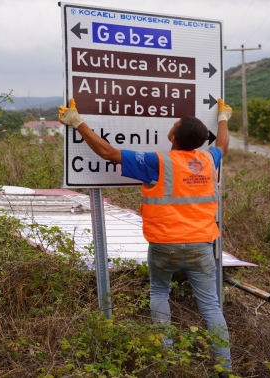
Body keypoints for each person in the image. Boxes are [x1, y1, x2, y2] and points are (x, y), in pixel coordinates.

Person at [59, 98, 233, 375]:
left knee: (159, 291)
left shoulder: (158, 161)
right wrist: (224, 118)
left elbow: (108, 153)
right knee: (211, 305)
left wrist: (77, 122)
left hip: (165, 245)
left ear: (172, 136)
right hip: (201, 245)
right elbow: (222, 144)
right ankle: (225, 369)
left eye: (174, 125)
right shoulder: (208, 158)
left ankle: (167, 358)